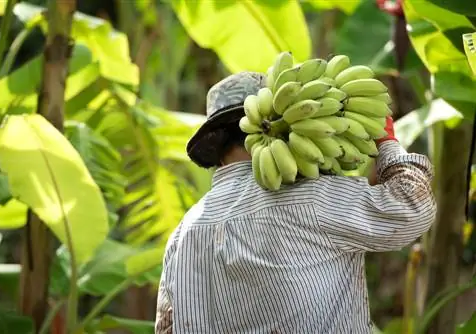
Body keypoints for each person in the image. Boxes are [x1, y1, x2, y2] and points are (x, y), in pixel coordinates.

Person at [155, 71, 437, 333]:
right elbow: (411, 207)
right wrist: (387, 142)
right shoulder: (311, 198)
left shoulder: (183, 234)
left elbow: (167, 328)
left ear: (216, 150)